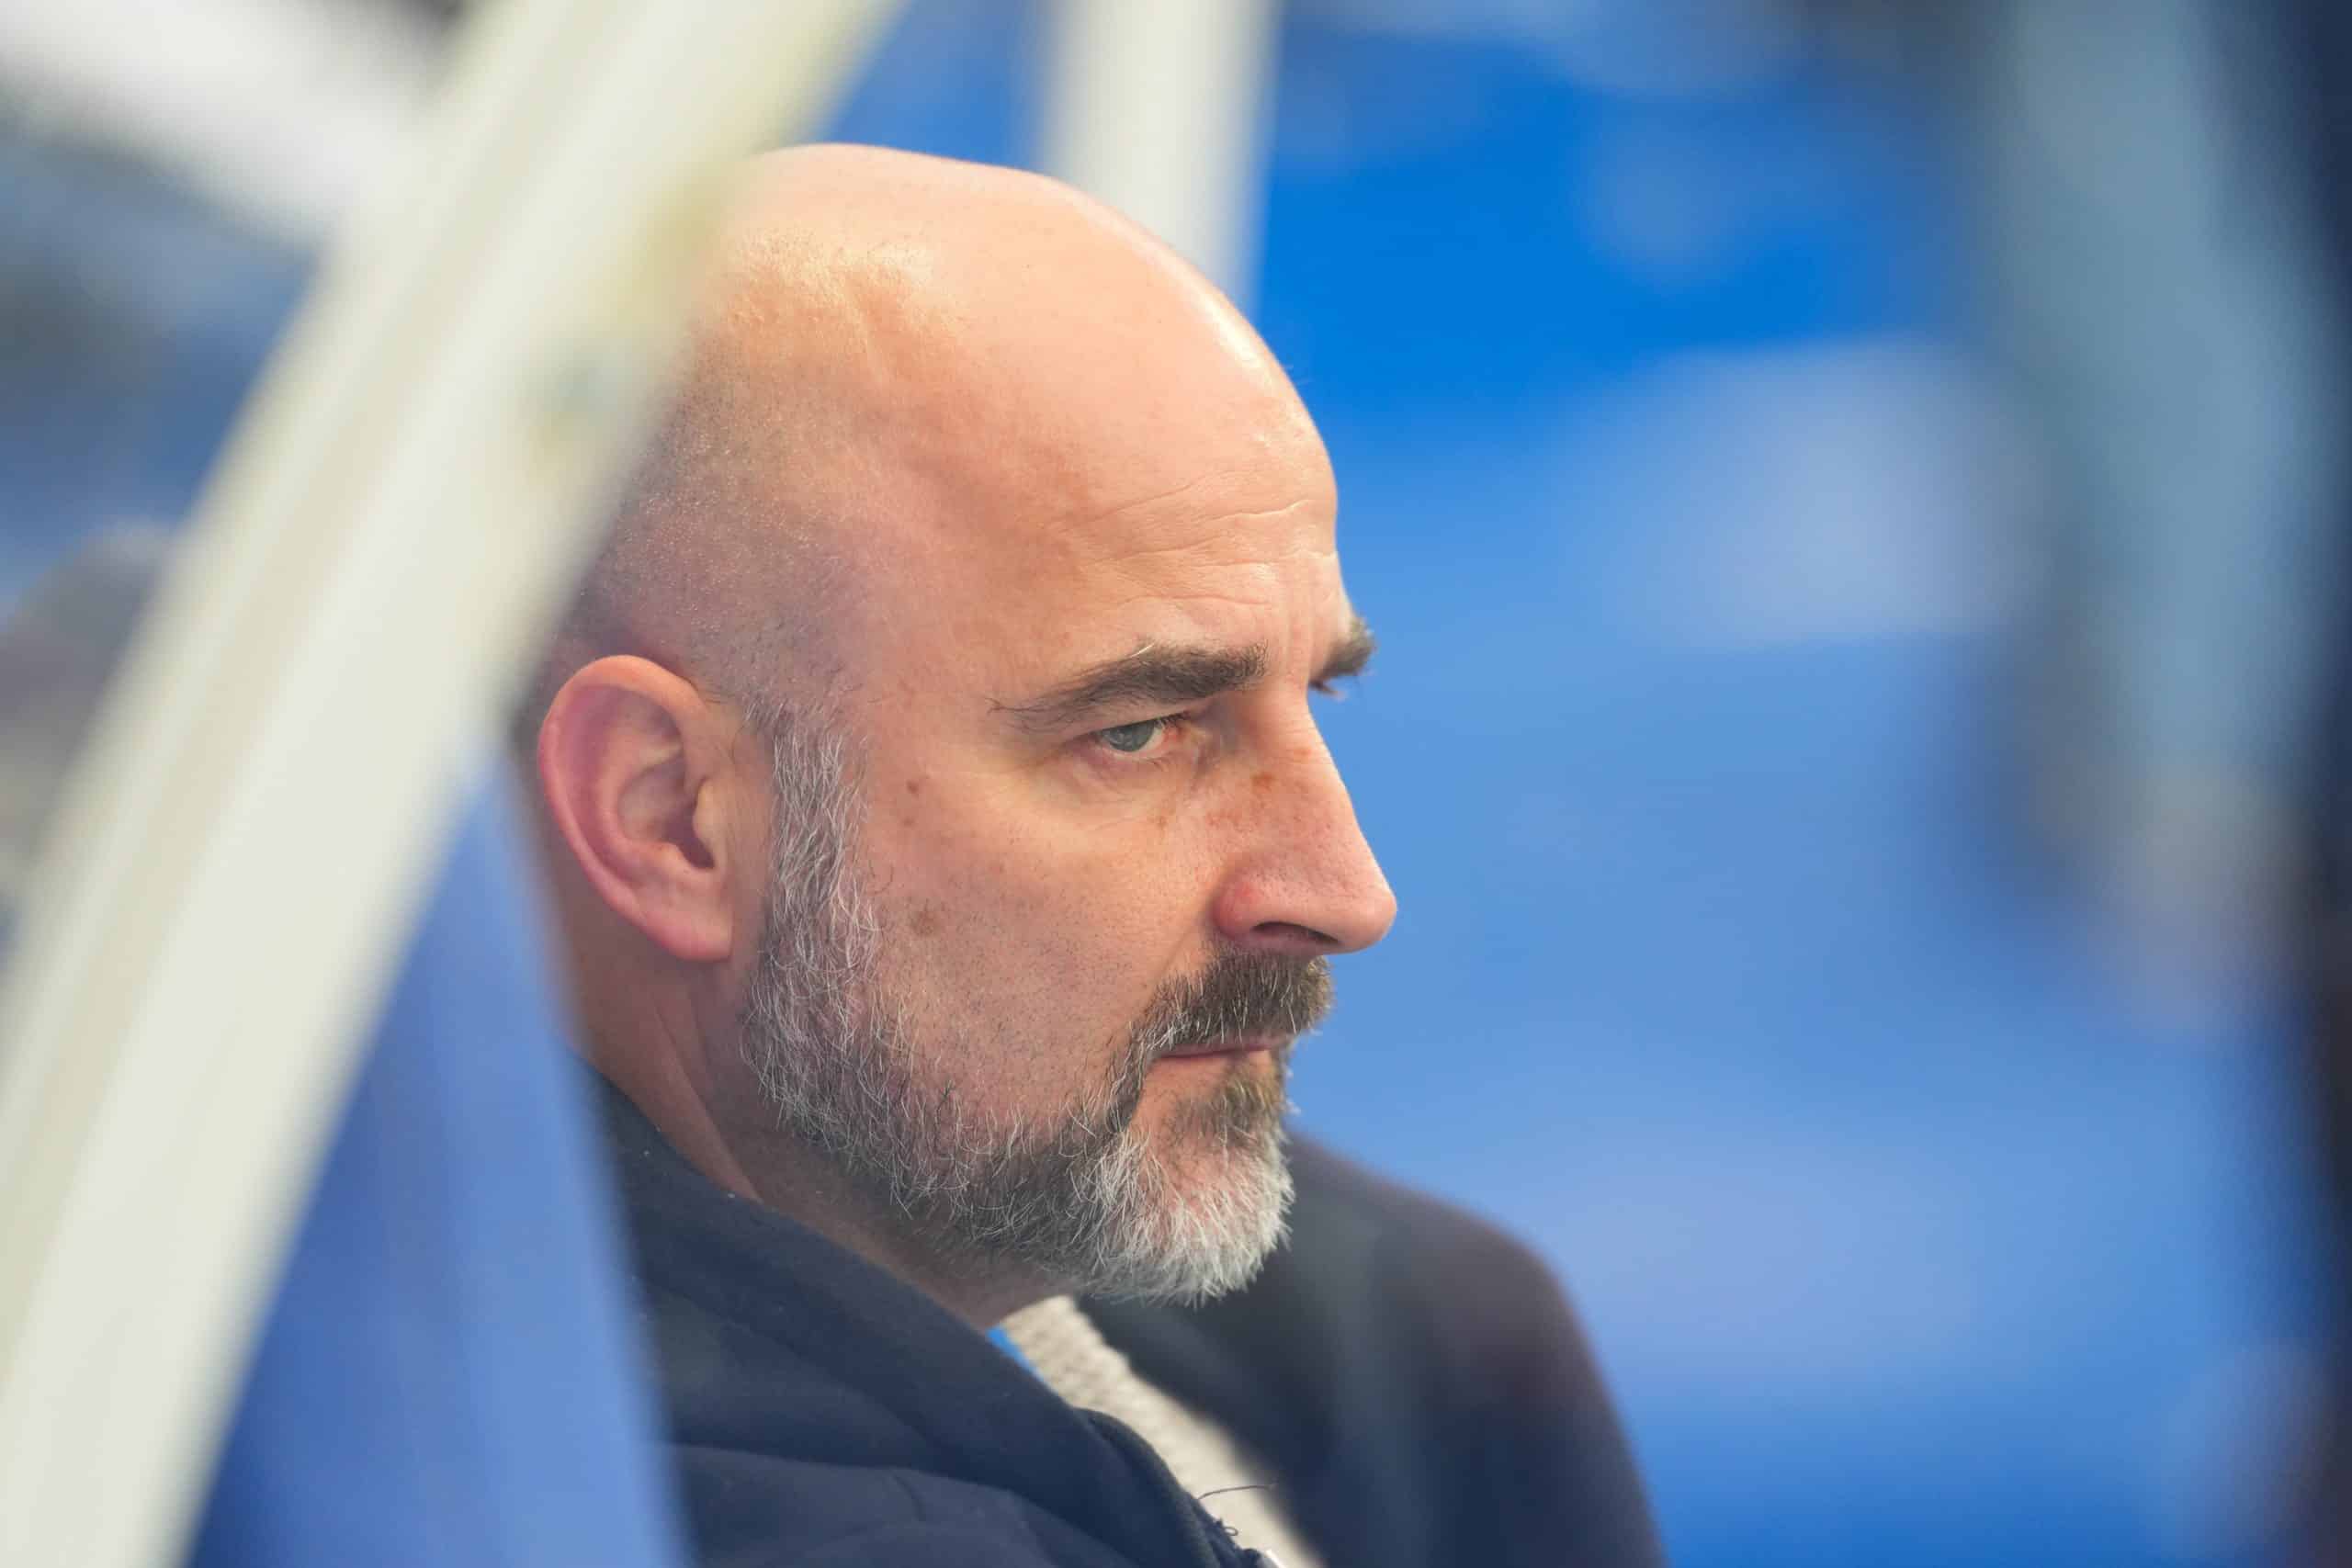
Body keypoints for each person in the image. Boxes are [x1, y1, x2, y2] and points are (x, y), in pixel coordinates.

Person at [522, 143, 1654, 1568]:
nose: (1344, 895)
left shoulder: (1409, 1349)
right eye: (1141, 733)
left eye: (1320, 695)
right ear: (668, 815)